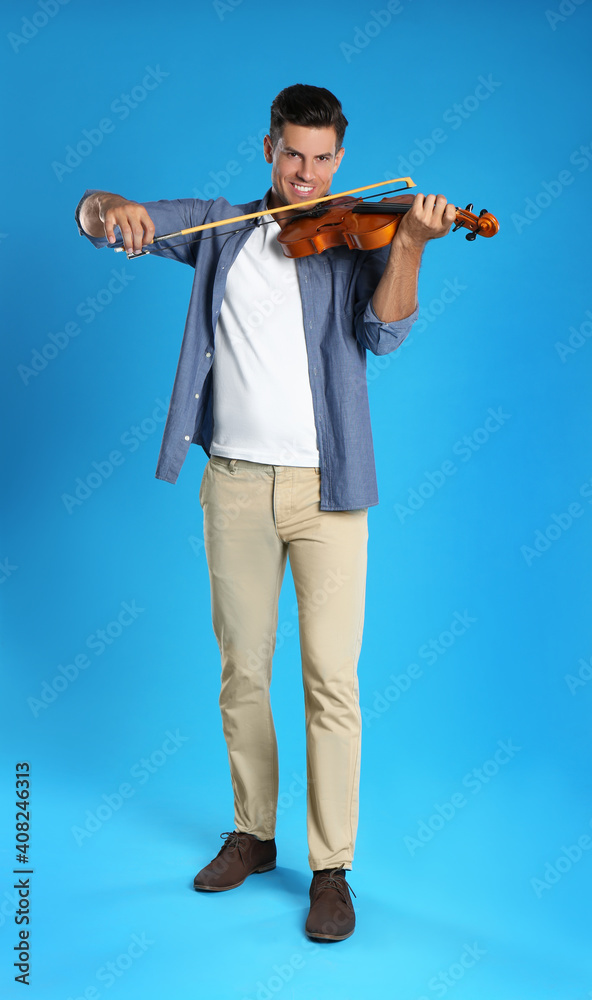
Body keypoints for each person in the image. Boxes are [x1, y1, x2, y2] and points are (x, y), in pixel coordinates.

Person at [75, 83, 456, 942]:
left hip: (330, 493)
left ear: (340, 160)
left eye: (323, 159)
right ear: (267, 148)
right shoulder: (219, 229)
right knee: (242, 669)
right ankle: (252, 834)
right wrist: (110, 209)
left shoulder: (357, 236)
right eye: (293, 154)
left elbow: (387, 333)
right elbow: (100, 215)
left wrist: (417, 246)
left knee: (332, 682)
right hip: (238, 485)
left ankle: (332, 870)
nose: (306, 173)